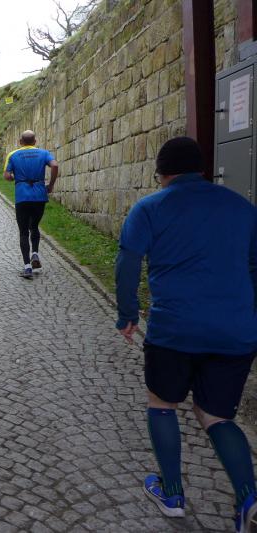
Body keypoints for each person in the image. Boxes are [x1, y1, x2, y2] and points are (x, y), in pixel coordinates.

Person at [115, 137, 257, 531]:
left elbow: (127, 262)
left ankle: (172, 493)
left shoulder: (150, 208)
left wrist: (127, 313)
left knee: (162, 404)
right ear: (201, 169)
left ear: (161, 172)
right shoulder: (242, 208)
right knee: (216, 416)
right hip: (235, 331)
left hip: (174, 329)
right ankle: (249, 499)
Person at [3, 130, 58, 279]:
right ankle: (35, 253)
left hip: (22, 196)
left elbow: (7, 175)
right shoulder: (44, 153)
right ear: (35, 141)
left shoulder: (13, 155)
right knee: (34, 226)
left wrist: (14, 177)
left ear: (21, 142)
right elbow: (54, 166)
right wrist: (51, 185)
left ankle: (27, 267)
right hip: (39, 195)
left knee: (23, 231)